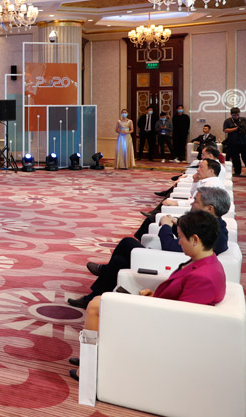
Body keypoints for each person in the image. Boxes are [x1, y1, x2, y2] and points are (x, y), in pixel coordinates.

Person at [69, 209, 227, 379]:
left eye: (181, 237)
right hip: (157, 309)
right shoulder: (202, 262)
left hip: (158, 323)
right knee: (103, 296)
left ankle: (88, 367)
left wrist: (150, 304)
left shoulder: (204, 277)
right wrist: (154, 296)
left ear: (195, 239)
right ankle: (93, 356)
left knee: (96, 305)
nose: (179, 242)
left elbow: (181, 320)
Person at [67, 186, 230, 309]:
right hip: (158, 293)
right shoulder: (206, 231)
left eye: (196, 202)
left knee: (127, 244)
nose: (192, 204)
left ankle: (101, 280)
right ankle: (96, 289)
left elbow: (180, 314)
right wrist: (153, 297)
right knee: (119, 261)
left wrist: (166, 227)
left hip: (163, 263)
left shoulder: (207, 260)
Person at [222, 106, 246, 176]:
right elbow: (225, 130)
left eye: (237, 114)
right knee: (235, 158)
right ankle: (237, 172)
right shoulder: (228, 121)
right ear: (231, 114)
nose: (236, 116)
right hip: (233, 143)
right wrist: (236, 129)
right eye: (234, 115)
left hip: (244, 142)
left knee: (245, 157)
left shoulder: (243, 120)